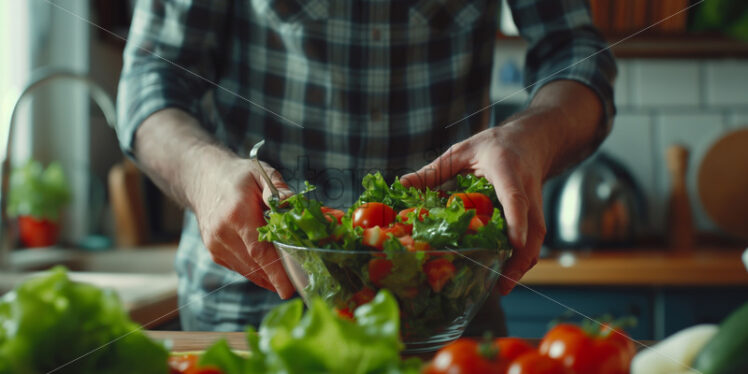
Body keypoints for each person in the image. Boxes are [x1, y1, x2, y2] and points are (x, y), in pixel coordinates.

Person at [117, 0, 616, 333]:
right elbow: (151, 76)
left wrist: (530, 139)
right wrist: (205, 174)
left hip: (446, 316)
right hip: (249, 315)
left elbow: (576, 52)